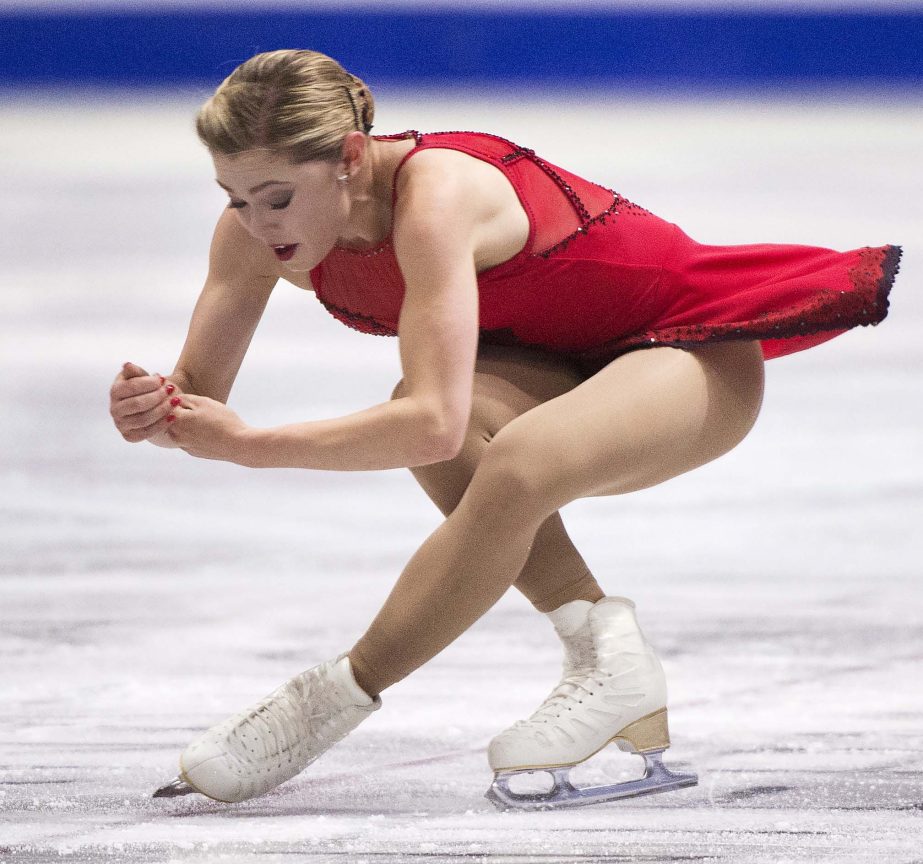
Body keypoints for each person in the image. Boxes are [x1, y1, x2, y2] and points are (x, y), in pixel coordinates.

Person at [108, 49, 901, 809]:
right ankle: (607, 654)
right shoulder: (254, 234)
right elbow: (199, 397)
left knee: (496, 448)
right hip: (560, 366)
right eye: (233, 196)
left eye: (276, 197)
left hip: (688, 350)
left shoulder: (438, 197)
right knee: (439, 418)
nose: (254, 221)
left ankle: (327, 701)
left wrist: (250, 447)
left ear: (350, 157)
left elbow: (429, 427)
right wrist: (158, 408)